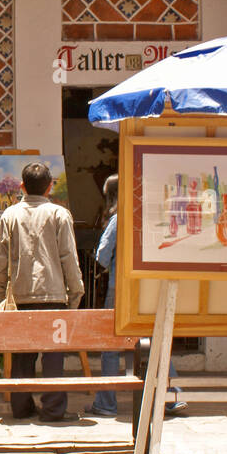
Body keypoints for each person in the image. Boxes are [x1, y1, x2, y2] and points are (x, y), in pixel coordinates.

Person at [0, 162, 83, 422]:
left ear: (21, 186)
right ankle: (53, 409)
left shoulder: (9, 215)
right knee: (54, 355)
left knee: (21, 355)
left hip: (20, 296)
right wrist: (76, 293)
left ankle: (21, 407)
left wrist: (0, 291)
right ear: (50, 186)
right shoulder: (60, 214)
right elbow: (68, 257)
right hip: (54, 296)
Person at [89, 174, 128, 417]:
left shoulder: (116, 218)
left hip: (118, 286)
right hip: (144, 288)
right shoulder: (141, 214)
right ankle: (171, 396)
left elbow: (103, 255)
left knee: (111, 345)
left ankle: (107, 402)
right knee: (154, 341)